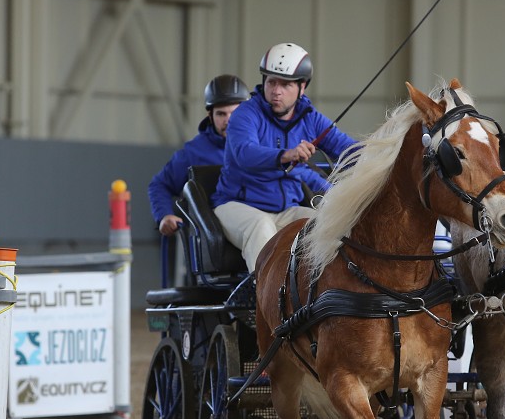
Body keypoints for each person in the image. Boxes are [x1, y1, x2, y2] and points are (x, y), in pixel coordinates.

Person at [212, 42, 357, 272]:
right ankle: (263, 301)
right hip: (236, 206)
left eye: (285, 84)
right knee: (261, 227)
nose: (276, 90)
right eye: (271, 81)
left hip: (285, 210)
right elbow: (243, 153)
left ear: (302, 87)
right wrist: (287, 154)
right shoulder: (245, 114)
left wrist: (385, 155)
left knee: (329, 226)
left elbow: (348, 150)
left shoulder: (311, 118)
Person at [148, 74, 250, 236]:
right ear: (210, 116)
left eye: (235, 113)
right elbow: (159, 185)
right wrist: (164, 215)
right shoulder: (193, 153)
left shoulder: (263, 146)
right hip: (214, 235)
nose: (228, 121)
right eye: (221, 114)